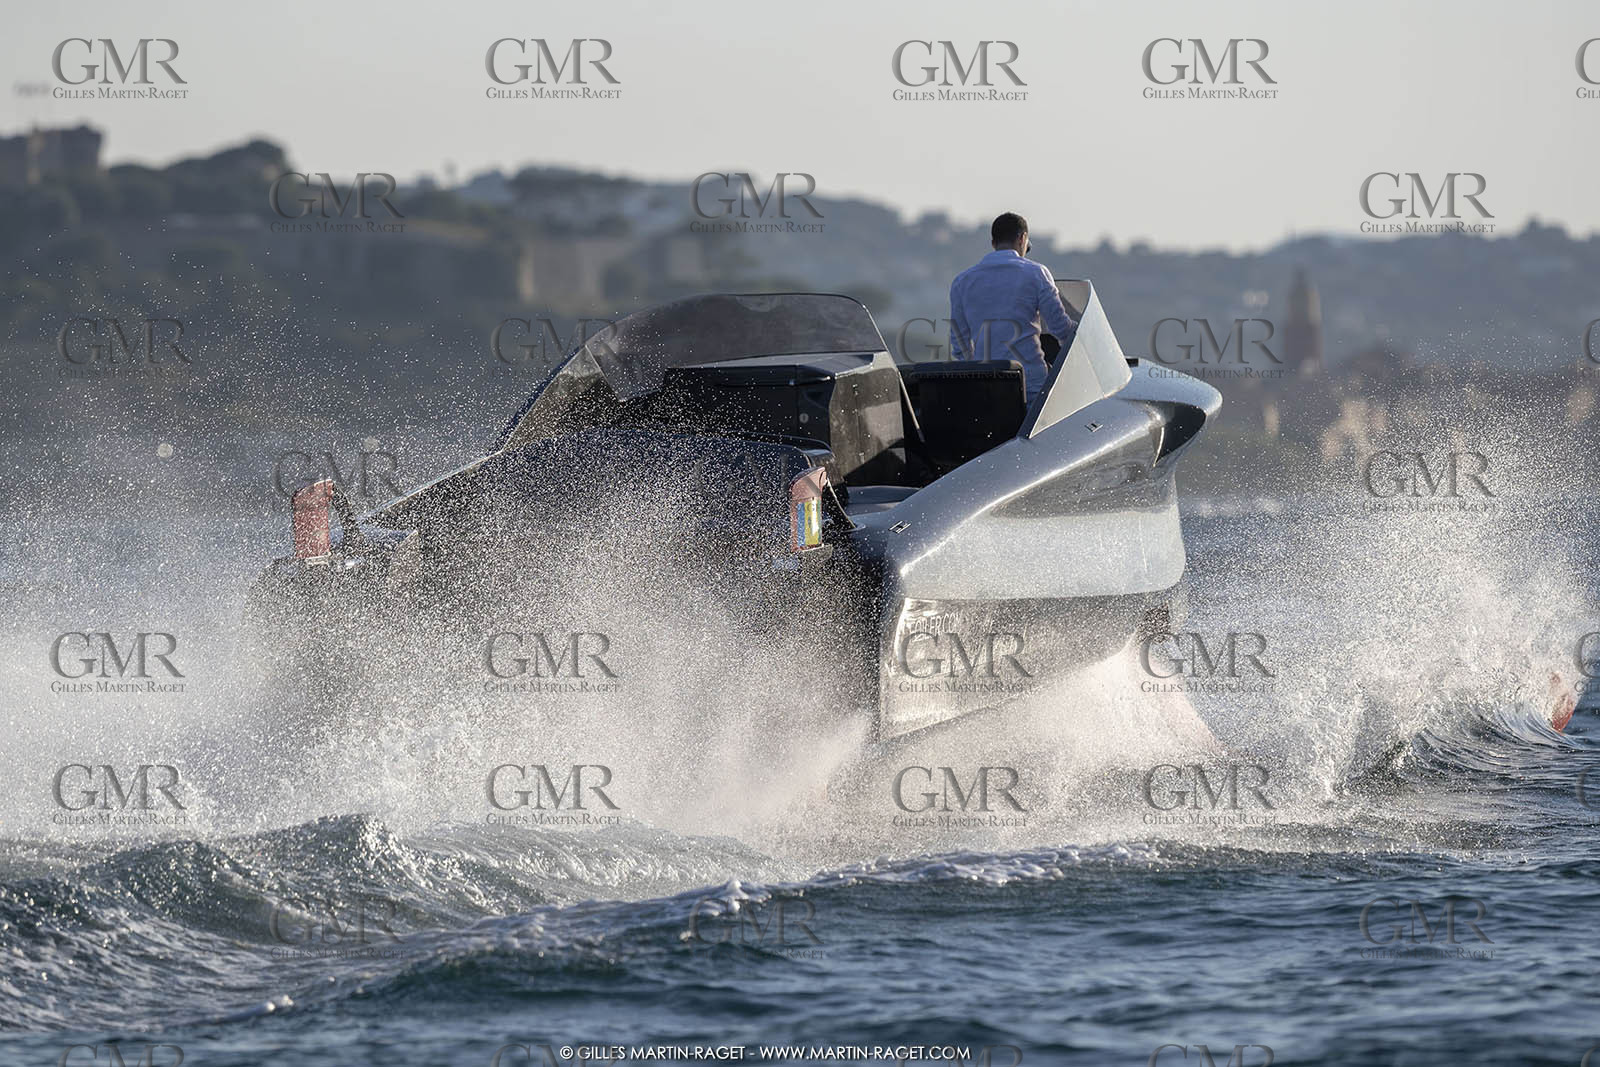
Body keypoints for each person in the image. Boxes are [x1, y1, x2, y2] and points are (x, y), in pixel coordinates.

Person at [948, 212, 1076, 403]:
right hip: (1030, 384)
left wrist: (977, 368)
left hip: (985, 386)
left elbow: (959, 343)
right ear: (1022, 238)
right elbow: (1060, 327)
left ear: (993, 243)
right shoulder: (1036, 273)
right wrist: (1080, 332)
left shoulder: (962, 281)